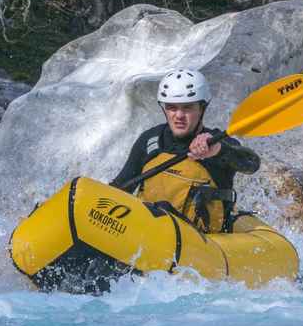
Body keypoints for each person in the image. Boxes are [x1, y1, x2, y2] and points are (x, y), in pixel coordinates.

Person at [110, 69, 260, 233]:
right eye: (172, 108)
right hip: (148, 235)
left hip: (202, 245)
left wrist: (219, 150)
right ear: (164, 109)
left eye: (187, 107)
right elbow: (119, 189)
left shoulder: (218, 142)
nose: (179, 115)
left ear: (202, 108)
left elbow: (252, 164)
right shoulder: (151, 140)